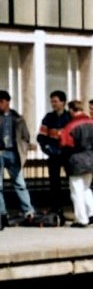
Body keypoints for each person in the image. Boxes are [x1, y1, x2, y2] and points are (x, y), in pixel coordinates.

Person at [58, 100, 93, 228]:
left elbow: (65, 143)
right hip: (92, 158)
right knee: (86, 188)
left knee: (76, 190)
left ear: (71, 110)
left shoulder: (71, 125)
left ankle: (81, 219)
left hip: (76, 160)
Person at [0, 90, 36, 230]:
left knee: (20, 183)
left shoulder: (17, 118)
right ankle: (2, 214)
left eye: (1, 102)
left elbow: (25, 136)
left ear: (7, 102)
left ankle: (28, 211)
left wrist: (23, 148)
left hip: (13, 153)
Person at [37, 90, 69, 216]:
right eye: (51, 101)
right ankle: (56, 208)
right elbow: (41, 136)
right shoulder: (48, 117)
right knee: (54, 183)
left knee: (73, 181)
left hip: (67, 154)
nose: (53, 104)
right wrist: (47, 149)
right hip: (54, 154)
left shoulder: (69, 117)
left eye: (55, 101)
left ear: (63, 102)